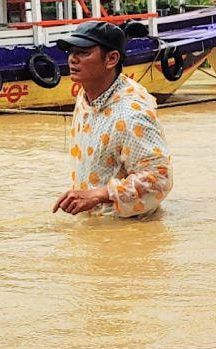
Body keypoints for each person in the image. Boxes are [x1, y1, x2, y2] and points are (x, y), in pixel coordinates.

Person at [51, 20, 172, 219]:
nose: (72, 59)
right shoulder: (86, 96)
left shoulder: (132, 112)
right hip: (94, 222)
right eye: (71, 52)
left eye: (83, 52)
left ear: (111, 59)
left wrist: (99, 195)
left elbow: (159, 177)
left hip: (129, 228)